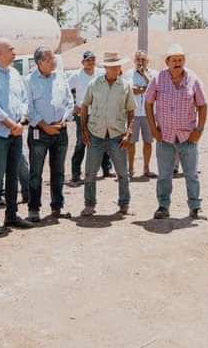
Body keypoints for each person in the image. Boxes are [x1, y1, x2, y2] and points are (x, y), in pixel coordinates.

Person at [145, 44, 208, 220]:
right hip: (164, 137)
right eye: (174, 60)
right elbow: (148, 103)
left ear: (184, 61)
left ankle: (195, 207)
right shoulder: (158, 79)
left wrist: (199, 130)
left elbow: (202, 106)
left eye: (180, 59)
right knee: (164, 175)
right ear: (167, 62)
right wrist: (153, 128)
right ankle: (163, 207)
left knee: (191, 174)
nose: (177, 63)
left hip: (188, 137)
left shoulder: (193, 79)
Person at [0, 38, 34, 234]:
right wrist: (12, 125)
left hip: (16, 132)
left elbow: (24, 100)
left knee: (13, 175)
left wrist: (21, 120)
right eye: (10, 49)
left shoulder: (15, 74)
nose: (14, 52)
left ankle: (11, 215)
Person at [79, 52, 135, 216]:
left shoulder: (125, 86)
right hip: (96, 134)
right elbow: (84, 107)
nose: (117, 68)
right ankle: (90, 204)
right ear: (106, 68)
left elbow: (131, 110)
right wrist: (83, 130)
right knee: (90, 172)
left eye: (118, 66)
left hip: (117, 136)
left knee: (123, 173)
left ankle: (124, 204)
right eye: (113, 66)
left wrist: (128, 133)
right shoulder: (94, 84)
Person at [26, 46, 74, 222]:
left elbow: (70, 102)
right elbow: (28, 108)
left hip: (60, 132)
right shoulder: (30, 80)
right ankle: (33, 209)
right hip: (40, 133)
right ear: (40, 62)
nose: (54, 61)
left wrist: (64, 120)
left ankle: (57, 206)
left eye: (53, 58)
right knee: (36, 173)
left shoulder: (60, 76)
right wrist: (45, 126)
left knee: (58, 172)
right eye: (49, 59)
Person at [68, 51, 111, 183]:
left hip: (99, 112)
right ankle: (76, 173)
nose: (90, 62)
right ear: (82, 62)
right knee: (82, 142)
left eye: (92, 59)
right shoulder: (76, 75)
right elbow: (65, 90)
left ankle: (106, 169)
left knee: (103, 139)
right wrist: (73, 106)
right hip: (82, 113)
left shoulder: (100, 73)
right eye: (88, 60)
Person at [124, 50, 158, 178]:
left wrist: (144, 76)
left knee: (148, 142)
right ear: (134, 61)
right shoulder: (129, 74)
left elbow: (155, 89)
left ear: (147, 61)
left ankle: (146, 168)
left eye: (143, 60)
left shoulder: (153, 73)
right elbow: (131, 90)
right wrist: (146, 89)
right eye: (138, 59)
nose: (140, 62)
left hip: (148, 114)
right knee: (131, 142)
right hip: (133, 113)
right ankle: (131, 169)